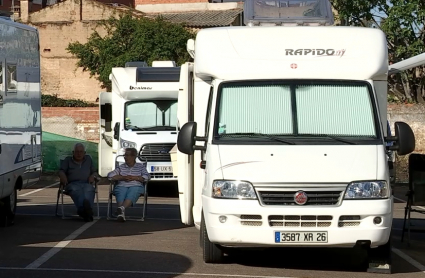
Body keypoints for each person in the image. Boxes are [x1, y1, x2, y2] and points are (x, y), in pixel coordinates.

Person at [107, 148, 150, 222]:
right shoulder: (121, 167)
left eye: (127, 155)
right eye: (124, 155)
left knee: (133, 190)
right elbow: (110, 175)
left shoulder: (140, 167)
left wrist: (135, 178)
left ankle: (121, 209)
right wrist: (122, 177)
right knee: (120, 191)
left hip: (136, 185)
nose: (125, 157)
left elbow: (147, 176)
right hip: (122, 184)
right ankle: (121, 213)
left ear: (133, 157)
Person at [58, 143, 98, 222]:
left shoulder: (88, 159)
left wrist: (93, 176)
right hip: (72, 183)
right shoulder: (68, 160)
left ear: (84, 153)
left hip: (86, 183)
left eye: (81, 152)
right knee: (76, 189)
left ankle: (84, 211)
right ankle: (85, 210)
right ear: (73, 152)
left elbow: (95, 172)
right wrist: (62, 175)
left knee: (89, 189)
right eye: (77, 152)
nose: (79, 154)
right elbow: (60, 171)